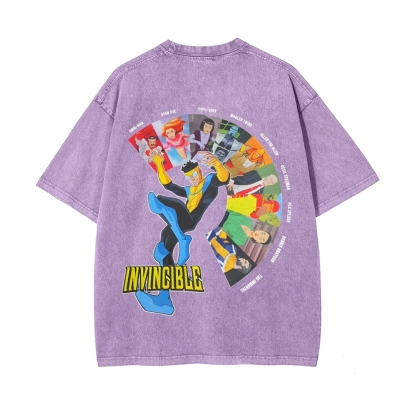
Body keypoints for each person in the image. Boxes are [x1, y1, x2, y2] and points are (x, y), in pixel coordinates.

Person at [135, 151, 230, 314]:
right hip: (180, 223)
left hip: (189, 221)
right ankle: (164, 300)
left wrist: (216, 164)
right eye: (189, 177)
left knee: (170, 203)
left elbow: (223, 179)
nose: (192, 179)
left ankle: (182, 238)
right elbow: (169, 185)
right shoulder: (190, 190)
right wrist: (159, 164)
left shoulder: (209, 182)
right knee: (164, 241)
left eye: (194, 174)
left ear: (199, 171)